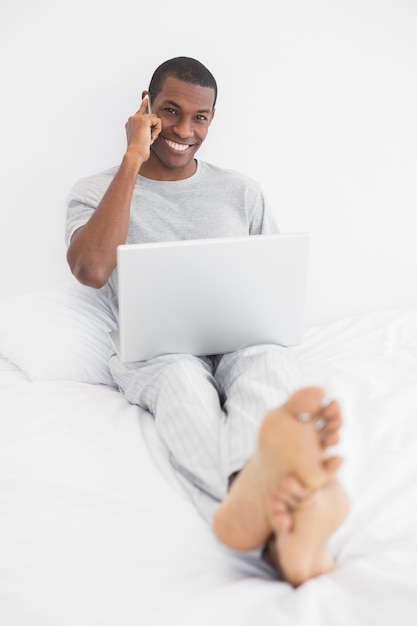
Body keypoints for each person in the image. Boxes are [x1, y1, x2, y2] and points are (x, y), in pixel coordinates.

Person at [66, 56, 349, 586]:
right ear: (144, 108)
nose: (183, 130)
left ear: (212, 120)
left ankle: (251, 510)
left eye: (200, 118)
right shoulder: (96, 189)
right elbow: (91, 268)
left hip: (240, 337)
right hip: (155, 351)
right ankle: (274, 523)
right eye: (170, 112)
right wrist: (133, 157)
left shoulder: (242, 191)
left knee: (266, 367)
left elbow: (272, 281)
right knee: (183, 389)